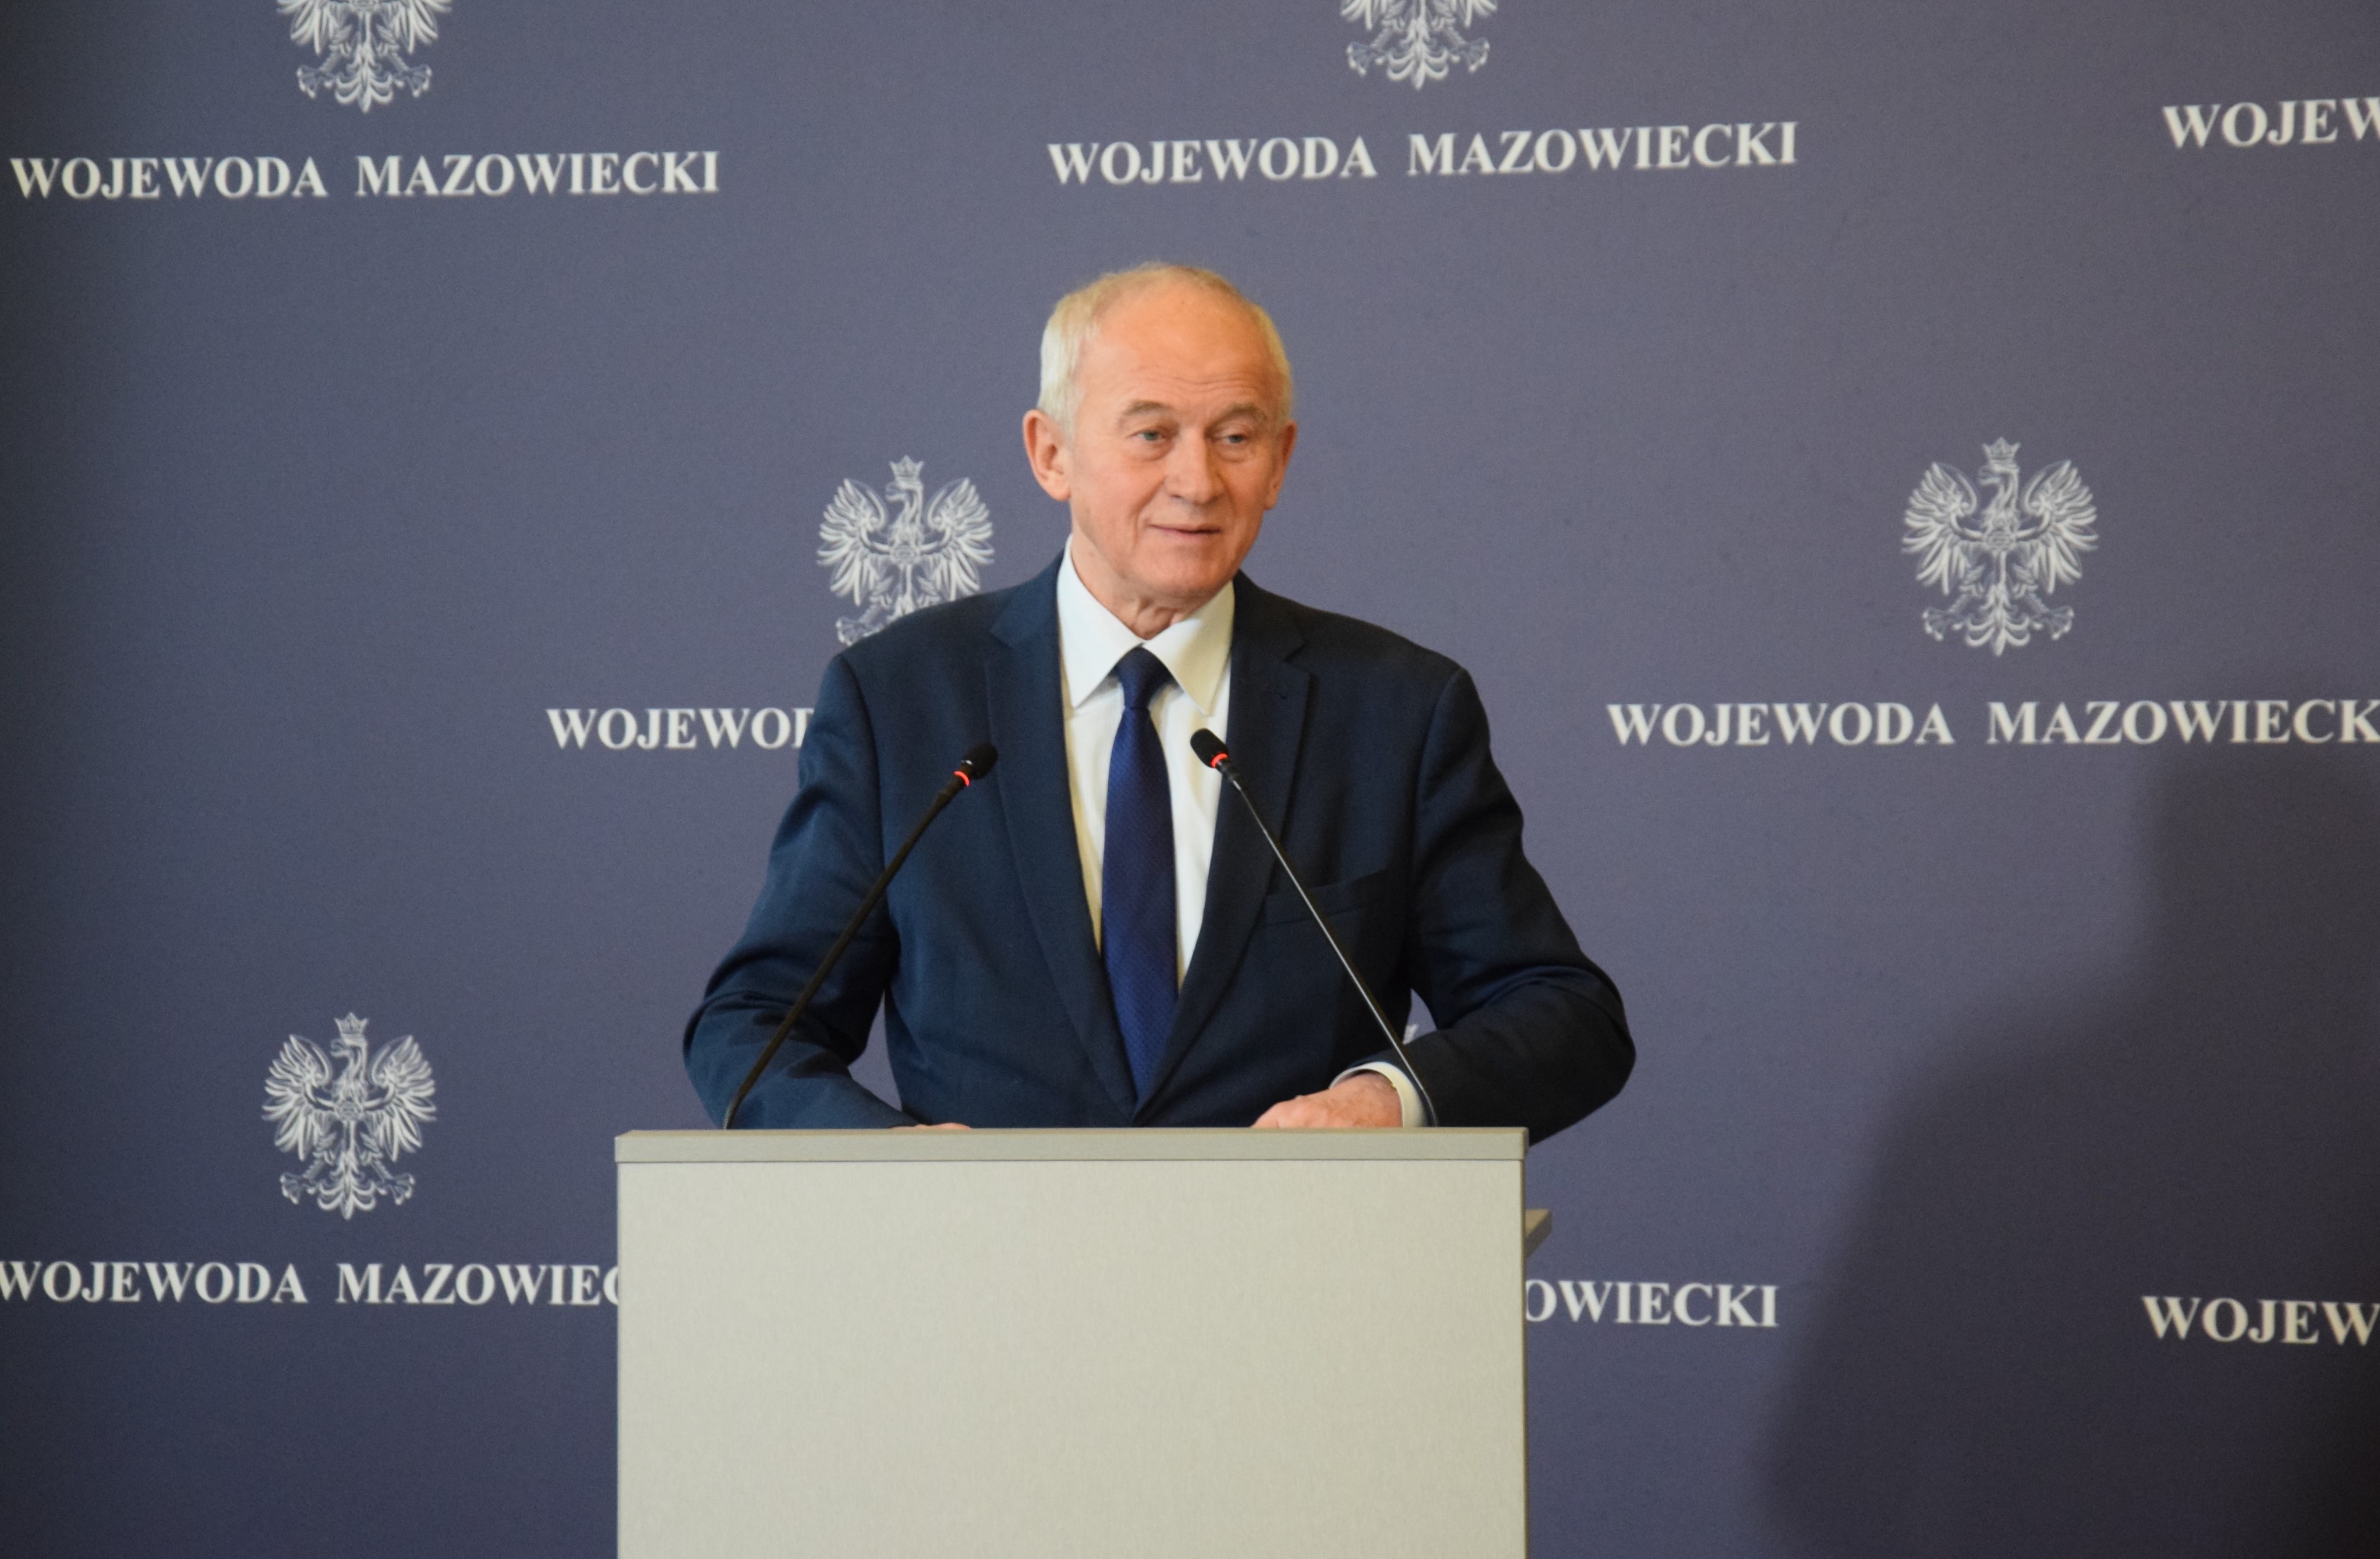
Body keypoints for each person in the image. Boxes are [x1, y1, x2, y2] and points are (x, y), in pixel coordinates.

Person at [684, 263, 1631, 1137]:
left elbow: (1564, 1015)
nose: (1197, 481)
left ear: (1280, 461)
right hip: (983, 1254)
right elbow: (753, 1024)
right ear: (1051, 453)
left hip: (1293, 1253)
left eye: (1235, 437)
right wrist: (888, 1161)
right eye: (1151, 435)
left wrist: (1390, 1100)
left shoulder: (1394, 711)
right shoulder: (901, 700)